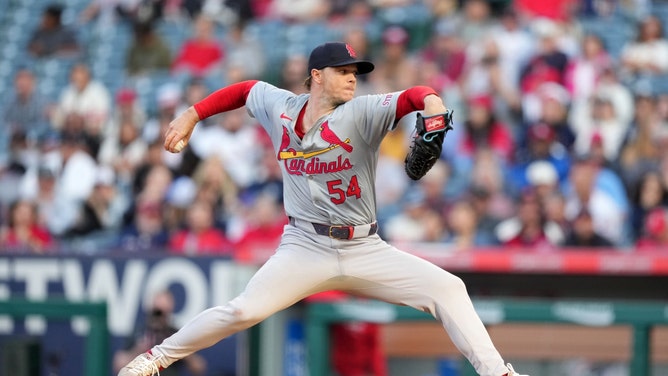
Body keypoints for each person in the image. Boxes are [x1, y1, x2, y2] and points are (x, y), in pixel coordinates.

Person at [118, 41, 528, 376]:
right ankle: (155, 359)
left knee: (448, 288)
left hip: (364, 247)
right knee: (242, 310)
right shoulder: (281, 108)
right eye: (343, 71)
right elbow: (245, 90)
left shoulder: (362, 112)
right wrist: (192, 114)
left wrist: (435, 104)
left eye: (356, 72)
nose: (353, 77)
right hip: (304, 246)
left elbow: (412, 97)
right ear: (317, 75)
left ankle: (499, 373)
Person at [113, 290, 206, 376]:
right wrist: (139, 350)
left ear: (169, 311)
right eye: (157, 312)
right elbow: (118, 365)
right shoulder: (141, 332)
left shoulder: (175, 333)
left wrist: (182, 350)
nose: (159, 316)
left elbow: (199, 368)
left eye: (162, 312)